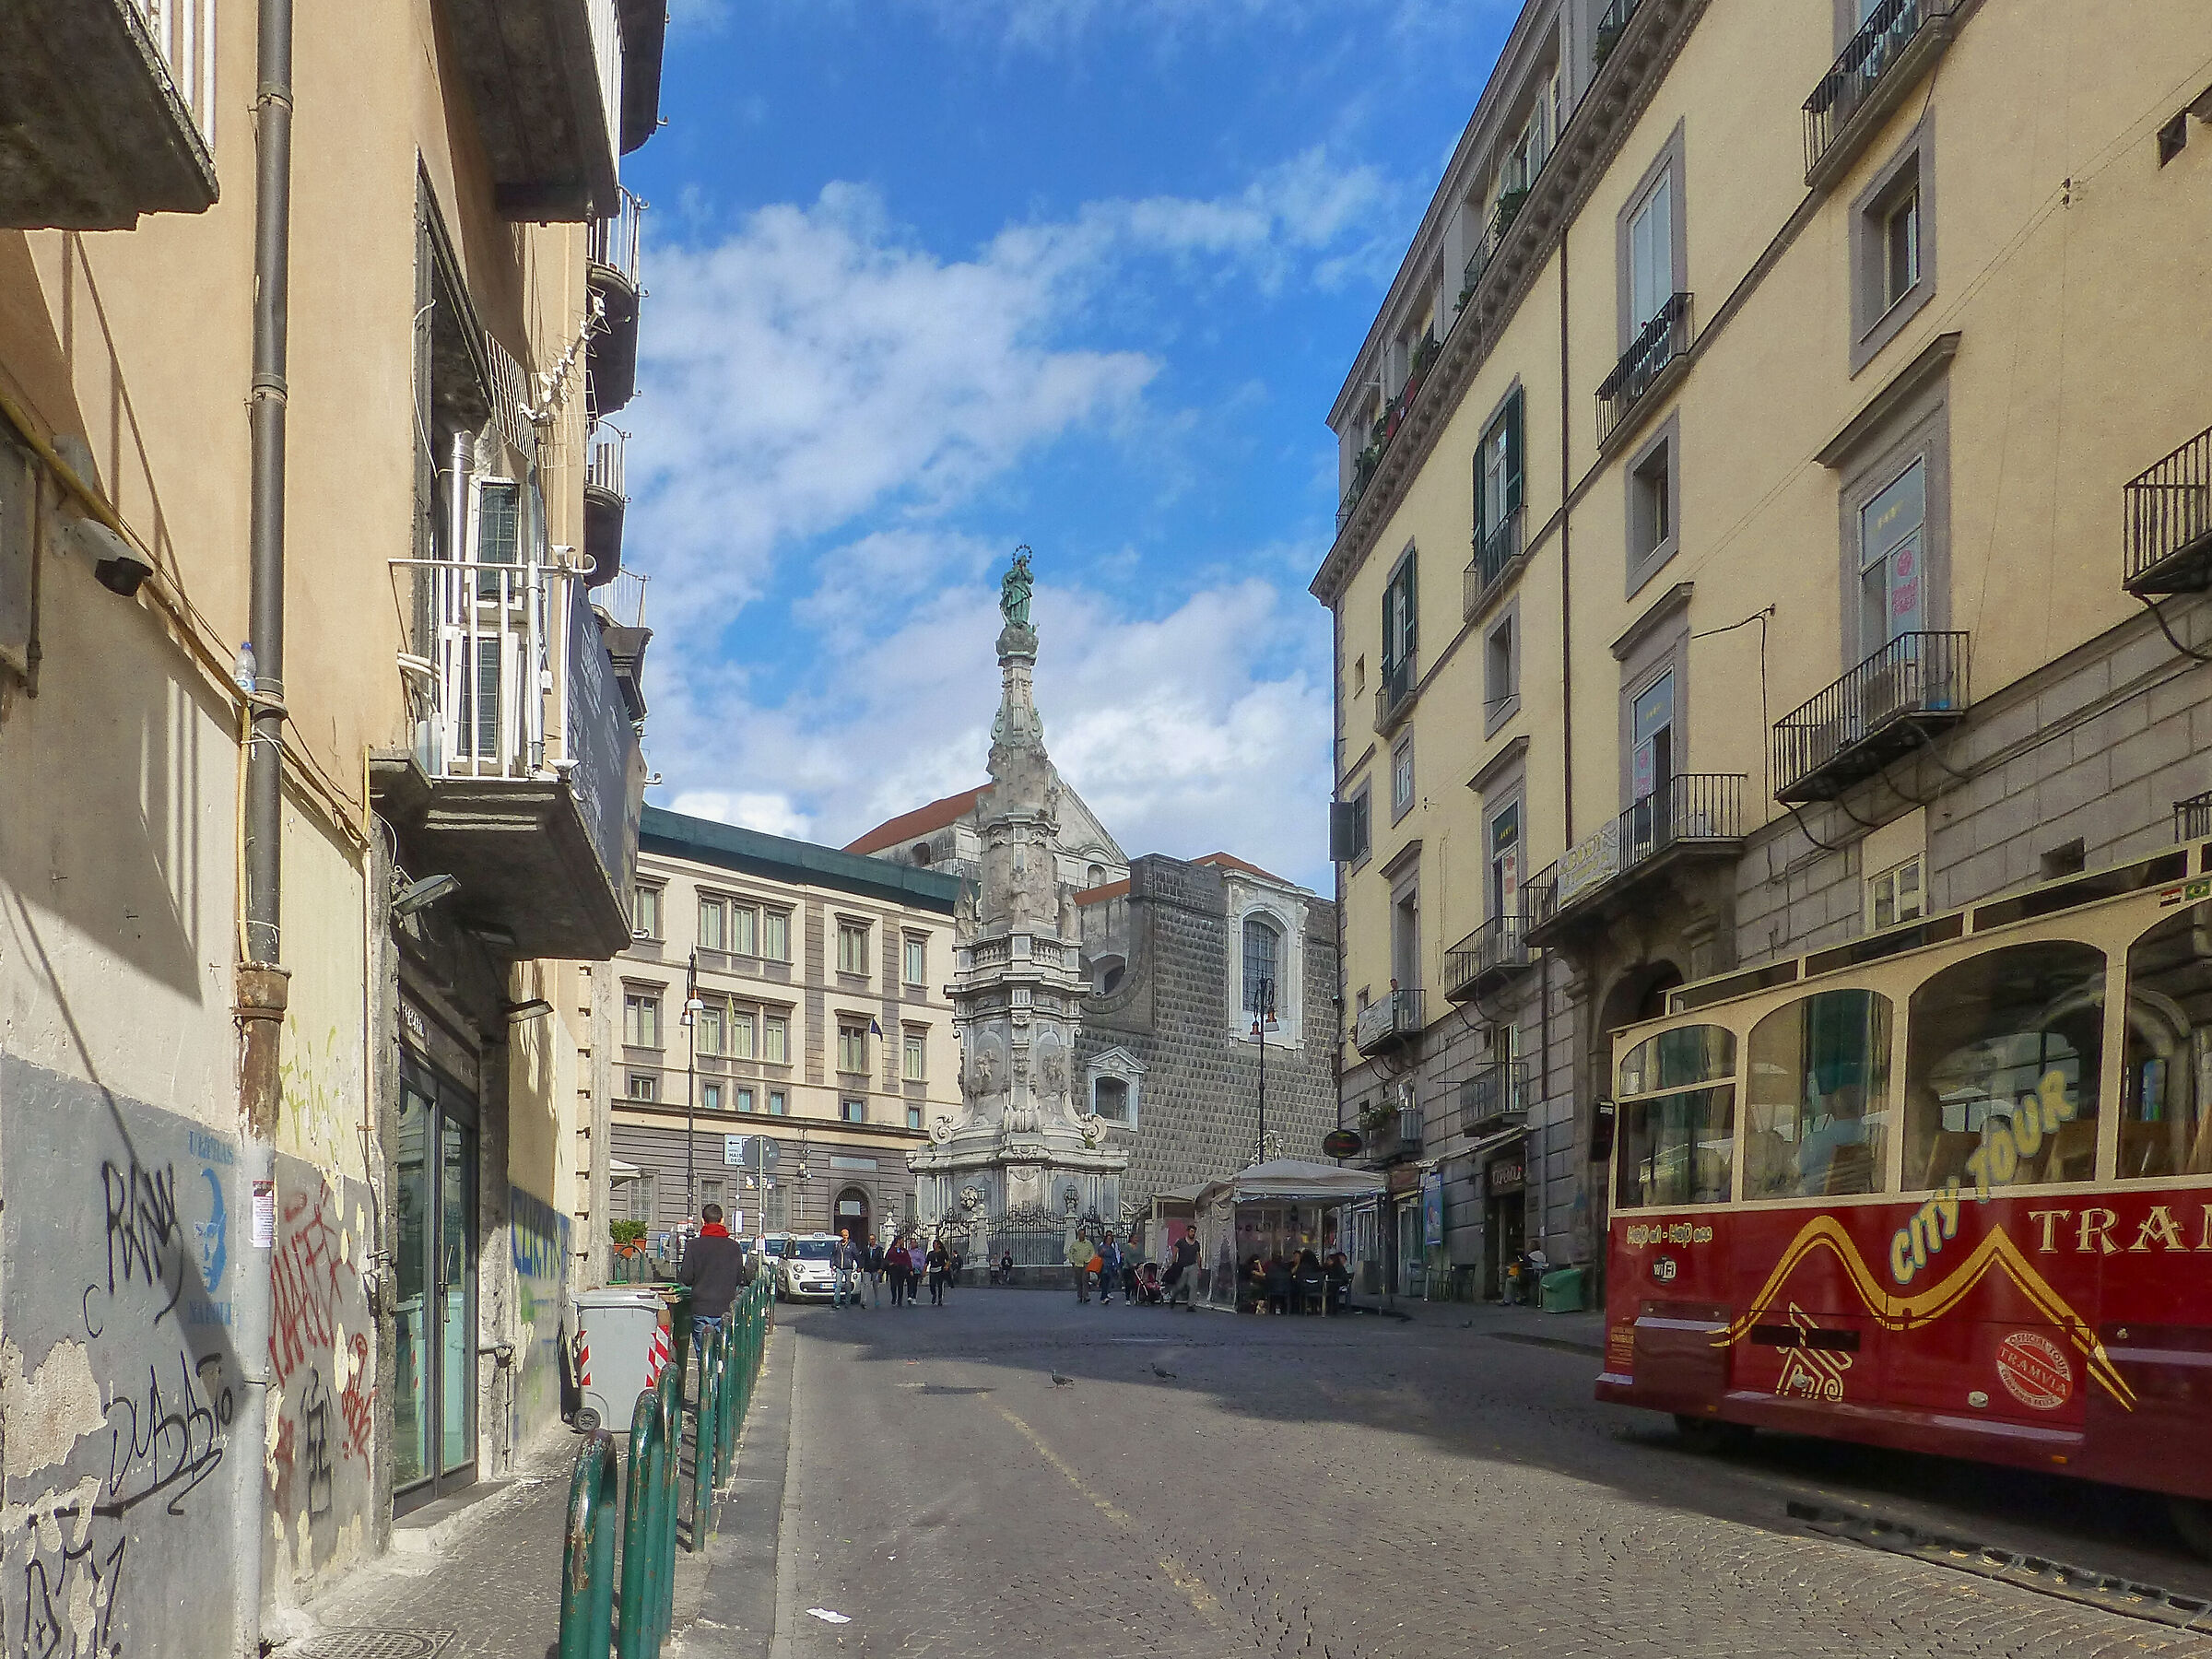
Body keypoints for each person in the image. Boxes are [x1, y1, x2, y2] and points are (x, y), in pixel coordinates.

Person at [676, 1204, 747, 1365]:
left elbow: (686, 1278)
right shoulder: (734, 1247)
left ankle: (708, 1389)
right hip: (725, 1307)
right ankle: (720, 1389)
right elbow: (739, 1278)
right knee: (722, 1360)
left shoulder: (693, 1246)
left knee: (705, 1360)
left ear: (702, 1221)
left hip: (701, 1307)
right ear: (722, 1221)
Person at [1163, 1228, 1200, 1310]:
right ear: (1187, 1232)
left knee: (1193, 1285)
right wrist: (1173, 1263)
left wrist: (1199, 1267)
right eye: (1191, 1231)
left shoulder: (1196, 1244)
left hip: (1193, 1266)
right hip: (1182, 1266)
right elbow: (1175, 1252)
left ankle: (1191, 1305)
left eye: (1194, 1232)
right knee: (1180, 1285)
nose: (1193, 1233)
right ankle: (1173, 1297)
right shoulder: (1181, 1242)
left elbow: (1198, 1256)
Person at [1096, 1233, 1124, 1307]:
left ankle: (1105, 1295)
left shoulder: (1112, 1249)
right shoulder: (1102, 1247)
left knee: (1109, 1281)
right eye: (1108, 1239)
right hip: (1103, 1266)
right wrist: (1102, 1252)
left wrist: (1117, 1267)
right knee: (1104, 1282)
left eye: (1110, 1240)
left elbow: (1114, 1258)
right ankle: (1104, 1297)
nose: (1109, 1241)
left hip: (1110, 1267)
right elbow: (1099, 1255)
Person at [1067, 1230, 1094, 1303]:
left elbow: (1092, 1253)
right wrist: (1072, 1262)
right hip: (1077, 1264)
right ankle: (1080, 1295)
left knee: (1085, 1280)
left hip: (1085, 1264)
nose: (1081, 1236)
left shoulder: (1089, 1244)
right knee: (1078, 1281)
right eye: (1080, 1234)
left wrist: (1089, 1261)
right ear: (1078, 1235)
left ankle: (1086, 1295)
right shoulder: (1074, 1244)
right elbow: (1070, 1253)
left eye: (1082, 1234)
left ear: (1085, 1235)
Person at [926, 1239, 949, 1305]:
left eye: (935, 1244)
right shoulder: (930, 1253)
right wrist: (924, 1270)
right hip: (932, 1270)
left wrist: (946, 1266)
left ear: (939, 1245)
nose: (934, 1245)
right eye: (933, 1244)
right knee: (932, 1285)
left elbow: (948, 1260)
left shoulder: (943, 1252)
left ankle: (940, 1298)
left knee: (940, 1285)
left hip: (940, 1270)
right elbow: (926, 1262)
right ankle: (934, 1294)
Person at [867, 1236, 885, 1308]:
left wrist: (881, 1268)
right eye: (870, 1239)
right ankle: (864, 1300)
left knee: (875, 1285)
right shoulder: (867, 1248)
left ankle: (877, 1300)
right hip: (867, 1268)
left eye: (873, 1239)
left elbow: (881, 1259)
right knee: (866, 1284)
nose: (872, 1241)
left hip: (876, 1269)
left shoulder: (879, 1249)